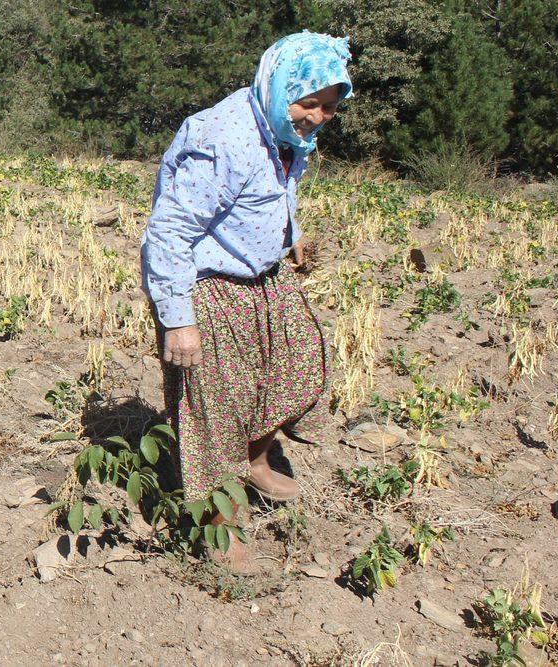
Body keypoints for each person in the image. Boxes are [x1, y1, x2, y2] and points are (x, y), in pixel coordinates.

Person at [141, 31, 352, 572]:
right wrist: (177, 319)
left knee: (289, 368)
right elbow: (167, 232)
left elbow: (276, 191)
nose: (317, 117)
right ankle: (221, 523)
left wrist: (291, 235)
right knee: (215, 409)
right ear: (277, 85)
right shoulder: (220, 138)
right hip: (209, 286)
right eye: (308, 102)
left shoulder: (285, 134)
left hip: (264, 278)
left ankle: (255, 459)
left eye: (329, 107)